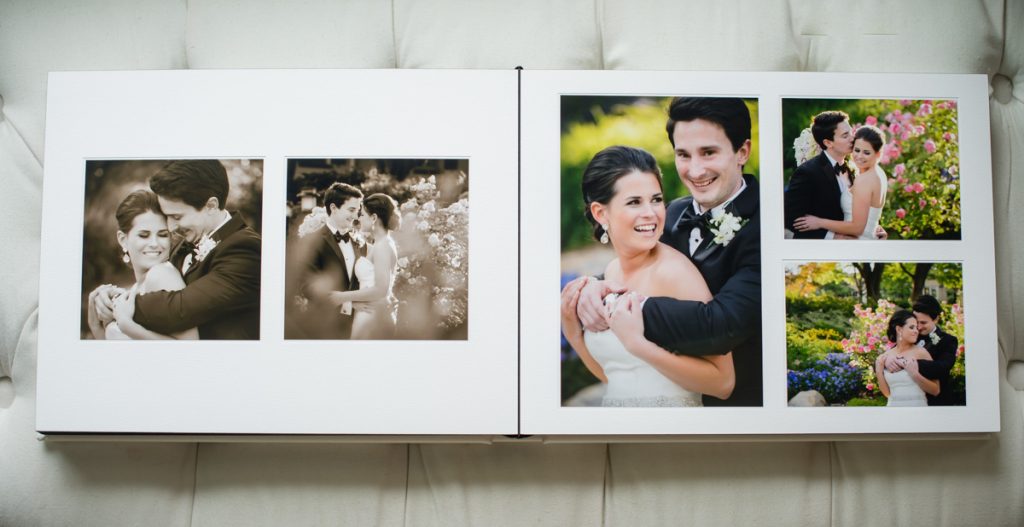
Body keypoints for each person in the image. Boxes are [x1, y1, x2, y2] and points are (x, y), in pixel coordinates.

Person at [566, 97, 761, 407]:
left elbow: (723, 324)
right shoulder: (675, 213)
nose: (695, 170)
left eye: (708, 152)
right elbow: (617, 374)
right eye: (683, 154)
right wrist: (591, 290)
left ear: (742, 152)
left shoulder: (766, 225)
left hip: (737, 414)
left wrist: (619, 307)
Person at [96, 160, 262, 340]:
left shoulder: (245, 249)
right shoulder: (186, 242)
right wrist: (110, 296)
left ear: (211, 206)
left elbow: (177, 308)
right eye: (168, 217)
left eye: (176, 217)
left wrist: (115, 304)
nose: (171, 227)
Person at [86, 190, 198, 340]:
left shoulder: (161, 275)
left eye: (163, 235)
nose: (154, 244)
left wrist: (128, 327)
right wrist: (97, 326)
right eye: (144, 235)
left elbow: (189, 349)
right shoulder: (136, 288)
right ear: (123, 239)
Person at [287, 182, 365, 339]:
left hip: (358, 323)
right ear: (334, 208)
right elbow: (306, 285)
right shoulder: (313, 242)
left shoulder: (358, 242)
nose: (356, 216)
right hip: (326, 325)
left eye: (357, 211)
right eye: (351, 210)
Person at [793, 126, 888, 239]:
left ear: (878, 154)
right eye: (857, 150)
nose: (859, 156)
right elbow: (870, 214)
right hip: (867, 239)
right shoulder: (879, 173)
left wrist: (819, 222)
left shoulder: (864, 180)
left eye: (866, 153)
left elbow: (857, 228)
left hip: (855, 243)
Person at [327, 193, 400, 339]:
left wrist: (341, 296)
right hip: (369, 311)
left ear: (373, 218)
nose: (358, 218)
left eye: (362, 214)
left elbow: (380, 289)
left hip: (373, 316)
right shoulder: (380, 244)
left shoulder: (382, 246)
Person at [785, 111, 853, 239]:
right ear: (828, 143)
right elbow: (790, 219)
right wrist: (832, 237)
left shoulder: (852, 169)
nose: (852, 138)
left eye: (851, 132)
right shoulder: (807, 172)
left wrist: (873, 231)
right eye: (845, 136)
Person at [882, 295, 959, 405]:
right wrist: (887, 360)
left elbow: (943, 367)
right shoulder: (911, 336)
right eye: (916, 322)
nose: (918, 327)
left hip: (937, 402)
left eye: (923, 323)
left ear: (936, 319)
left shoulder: (948, 341)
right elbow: (891, 354)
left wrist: (907, 363)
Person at [874, 309, 939, 406]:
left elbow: (935, 390)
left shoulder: (922, 353)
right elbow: (887, 394)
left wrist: (914, 374)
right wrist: (879, 371)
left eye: (916, 328)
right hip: (893, 409)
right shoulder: (886, 356)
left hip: (917, 409)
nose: (916, 331)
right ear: (899, 329)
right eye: (912, 327)